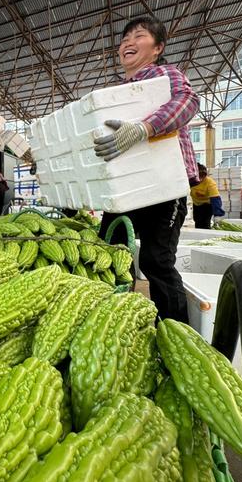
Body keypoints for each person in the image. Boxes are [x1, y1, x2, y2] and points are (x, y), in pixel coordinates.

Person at [93, 16, 200, 324]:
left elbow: (188, 100)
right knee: (112, 256)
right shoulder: (114, 95)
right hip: (126, 191)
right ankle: (117, 321)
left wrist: (145, 128)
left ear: (157, 48)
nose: (128, 42)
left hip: (165, 185)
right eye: (125, 37)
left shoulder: (164, 75)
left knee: (157, 261)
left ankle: (174, 332)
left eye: (139, 36)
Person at [190, 163, 225, 229]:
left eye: (202, 177)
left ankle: (205, 233)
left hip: (208, 204)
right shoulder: (191, 181)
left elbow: (215, 198)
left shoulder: (210, 182)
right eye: (199, 176)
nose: (200, 179)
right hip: (196, 204)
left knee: (205, 222)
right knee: (197, 221)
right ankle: (198, 235)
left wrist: (217, 214)